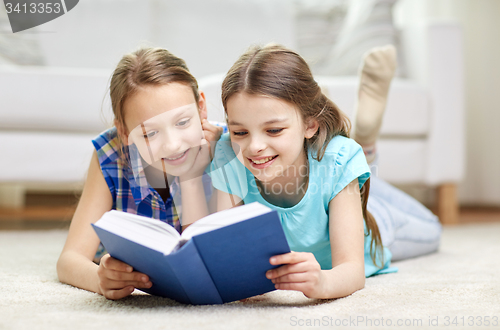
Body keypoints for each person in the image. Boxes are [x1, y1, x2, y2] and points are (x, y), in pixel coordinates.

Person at [209, 44, 442, 300]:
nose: (253, 147)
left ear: (310, 124)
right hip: (334, 179)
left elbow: (353, 272)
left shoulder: (336, 161)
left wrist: (322, 281)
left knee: (433, 229)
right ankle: (363, 157)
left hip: (373, 220)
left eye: (274, 130)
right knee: (341, 169)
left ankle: (362, 154)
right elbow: (226, 252)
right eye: (240, 132)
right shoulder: (228, 154)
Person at [57, 47, 223, 300]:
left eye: (182, 123)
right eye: (149, 133)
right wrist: (100, 280)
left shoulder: (225, 148)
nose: (173, 145)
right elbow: (69, 260)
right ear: (124, 132)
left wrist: (192, 178)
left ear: (201, 108)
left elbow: (208, 264)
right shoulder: (112, 152)